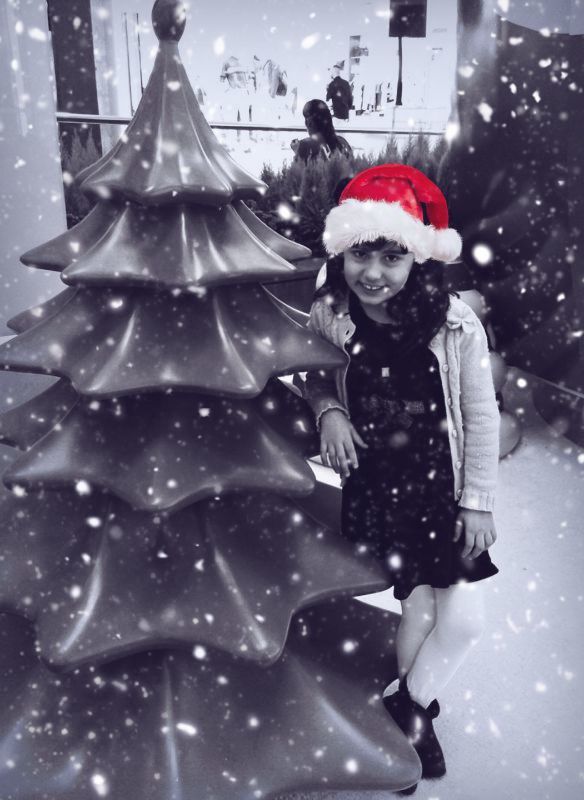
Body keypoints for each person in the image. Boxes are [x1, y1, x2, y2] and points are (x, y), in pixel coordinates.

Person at [300, 164, 500, 790]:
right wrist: (329, 410)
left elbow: (481, 414)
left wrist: (478, 501)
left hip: (444, 494)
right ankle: (414, 729)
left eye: (393, 256)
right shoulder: (331, 315)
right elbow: (311, 375)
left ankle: (407, 704)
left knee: (464, 621)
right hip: (381, 491)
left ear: (418, 257)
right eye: (361, 253)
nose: (374, 273)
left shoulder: (454, 323)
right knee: (417, 607)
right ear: (341, 252)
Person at [291, 99, 353, 164]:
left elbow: (298, 168)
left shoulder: (305, 145)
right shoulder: (342, 141)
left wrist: (297, 151)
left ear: (309, 123)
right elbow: (352, 165)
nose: (306, 124)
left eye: (306, 119)